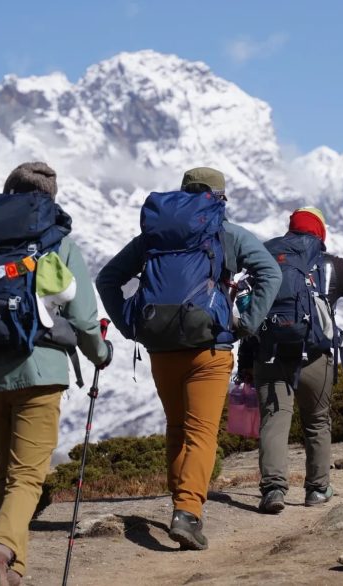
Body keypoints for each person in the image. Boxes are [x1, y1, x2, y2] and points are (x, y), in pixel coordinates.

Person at [0, 162, 113, 586]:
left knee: (7, 471)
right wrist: (101, 354)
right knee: (27, 476)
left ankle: (12, 569)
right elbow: (84, 317)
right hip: (40, 372)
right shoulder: (56, 241)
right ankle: (1, 549)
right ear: (48, 199)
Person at [96, 167, 281, 550]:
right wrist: (246, 323)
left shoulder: (154, 236)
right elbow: (270, 272)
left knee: (177, 428)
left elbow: (107, 279)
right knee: (201, 433)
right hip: (209, 348)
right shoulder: (226, 234)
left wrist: (130, 324)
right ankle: (187, 513)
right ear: (220, 198)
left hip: (161, 349)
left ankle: (180, 503)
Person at [240, 207, 343, 514]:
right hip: (315, 356)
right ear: (320, 233)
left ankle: (273, 489)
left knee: (274, 420)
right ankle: (317, 489)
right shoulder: (330, 266)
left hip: (270, 353)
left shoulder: (264, 259)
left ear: (291, 230)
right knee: (316, 422)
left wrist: (246, 362)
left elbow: (251, 312)